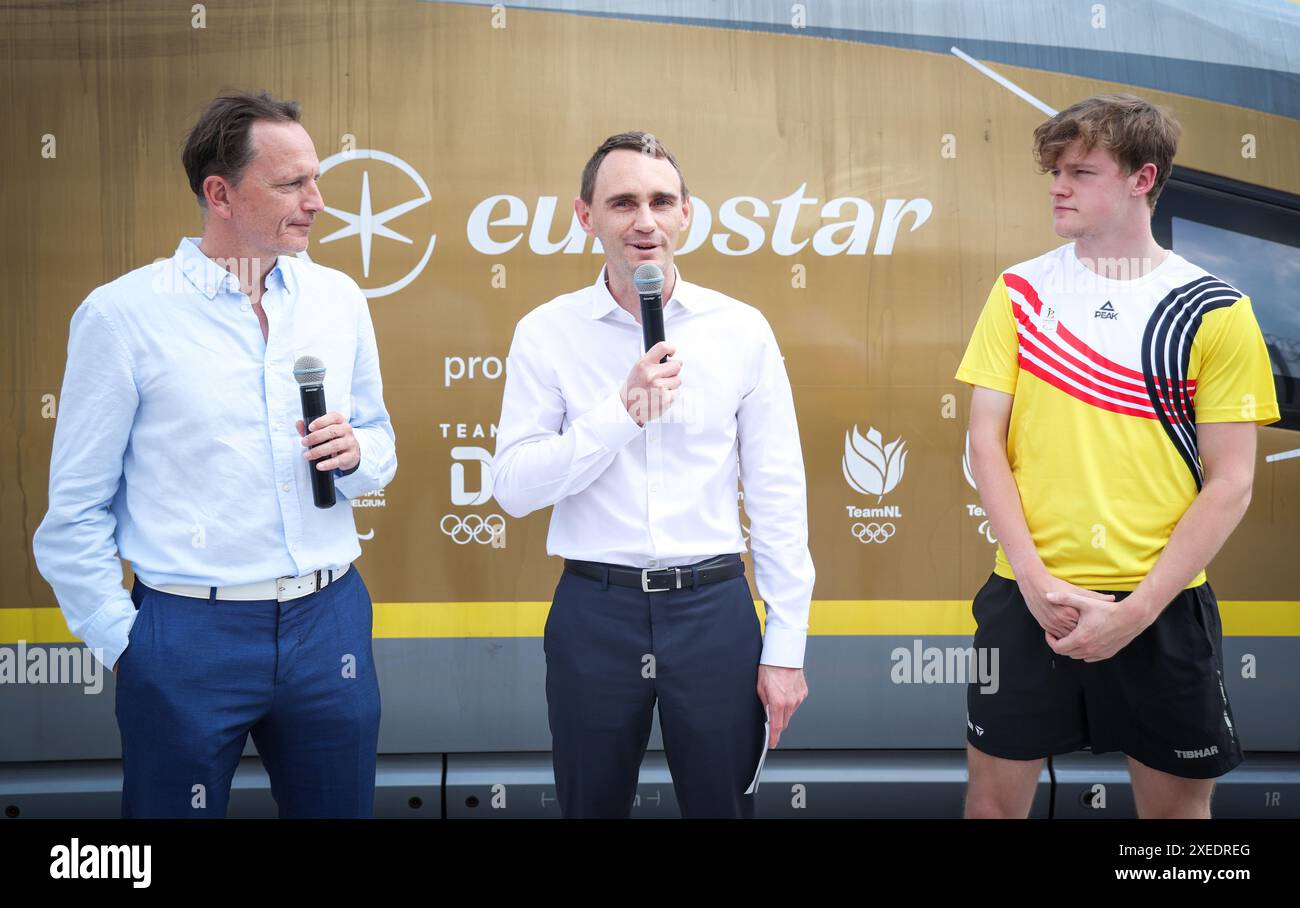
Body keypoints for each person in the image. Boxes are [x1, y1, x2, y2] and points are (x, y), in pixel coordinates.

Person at [33, 90, 397, 818]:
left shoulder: (338, 299)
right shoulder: (122, 315)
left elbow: (379, 441)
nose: (317, 202)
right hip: (186, 636)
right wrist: (129, 648)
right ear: (220, 193)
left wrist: (359, 452)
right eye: (291, 184)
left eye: (316, 179)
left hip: (329, 621)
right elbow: (74, 512)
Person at [956, 94, 1279, 819]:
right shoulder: (1019, 291)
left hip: (1161, 607)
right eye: (1055, 172)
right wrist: (1034, 583)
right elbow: (984, 444)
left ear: (1143, 178)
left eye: (1081, 172)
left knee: (1175, 827)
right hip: (1026, 599)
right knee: (992, 809)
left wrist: (1136, 612)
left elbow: (1231, 482)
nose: (1058, 187)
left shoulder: (1215, 307)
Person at [491, 132, 815, 818]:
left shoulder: (741, 329)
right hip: (594, 613)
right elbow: (514, 488)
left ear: (686, 214)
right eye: (623, 203)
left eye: (662, 201)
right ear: (586, 216)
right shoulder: (546, 332)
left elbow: (778, 493)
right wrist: (621, 414)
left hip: (713, 610)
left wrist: (785, 647)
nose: (645, 221)